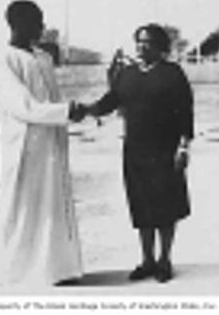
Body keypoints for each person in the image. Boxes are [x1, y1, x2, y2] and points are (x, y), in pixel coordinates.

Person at [81, 23, 194, 283]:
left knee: (166, 206)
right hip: (135, 150)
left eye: (149, 42)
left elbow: (186, 112)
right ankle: (147, 260)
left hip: (165, 150)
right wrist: (85, 110)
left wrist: (184, 146)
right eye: (139, 42)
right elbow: (110, 101)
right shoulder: (127, 74)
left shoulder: (172, 73)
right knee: (141, 205)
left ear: (160, 47)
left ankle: (165, 259)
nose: (142, 47)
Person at [0, 0, 84, 287]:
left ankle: (57, 270)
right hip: (23, 149)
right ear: (17, 24)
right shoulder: (2, 60)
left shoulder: (42, 57)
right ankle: (19, 273)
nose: (42, 27)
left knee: (52, 205)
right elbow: (23, 106)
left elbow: (51, 99)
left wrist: (69, 112)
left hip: (50, 145)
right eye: (36, 22)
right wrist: (68, 111)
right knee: (23, 209)